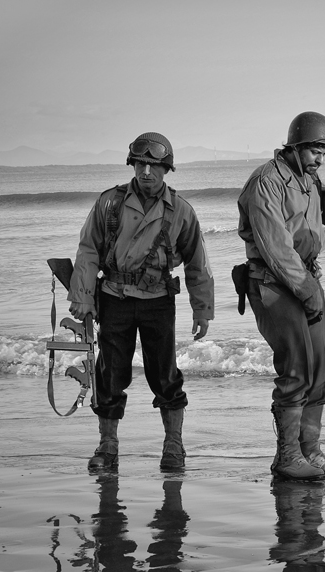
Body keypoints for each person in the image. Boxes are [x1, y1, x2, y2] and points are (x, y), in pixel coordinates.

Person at [69, 132, 215, 472]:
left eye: (153, 165)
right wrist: (83, 297)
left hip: (158, 300)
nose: (146, 172)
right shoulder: (110, 203)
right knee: (109, 374)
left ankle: (173, 446)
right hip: (114, 298)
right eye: (140, 164)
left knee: (165, 374)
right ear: (133, 165)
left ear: (166, 169)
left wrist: (202, 310)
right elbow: (88, 248)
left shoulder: (180, 210)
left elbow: (198, 262)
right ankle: (107, 446)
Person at [237, 111, 325, 481]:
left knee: (317, 369)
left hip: (303, 279)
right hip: (274, 282)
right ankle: (287, 456)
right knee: (296, 368)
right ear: (297, 145)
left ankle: (311, 453)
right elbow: (276, 248)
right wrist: (306, 290)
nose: (322, 158)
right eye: (317, 150)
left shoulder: (308, 177)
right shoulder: (266, 182)